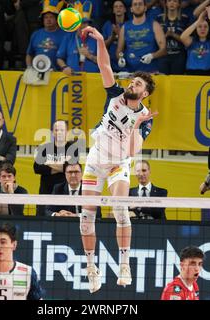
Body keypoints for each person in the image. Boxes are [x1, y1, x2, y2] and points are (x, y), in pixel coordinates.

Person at [78, 25, 158, 293]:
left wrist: (137, 124)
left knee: (120, 211)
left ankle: (124, 264)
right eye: (132, 81)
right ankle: (91, 269)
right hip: (94, 162)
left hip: (117, 165)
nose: (131, 84)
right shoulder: (115, 95)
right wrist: (101, 40)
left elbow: (134, 152)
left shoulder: (144, 118)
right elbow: (104, 65)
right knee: (85, 218)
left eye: (137, 84)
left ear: (144, 93)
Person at [33, 119, 79, 216]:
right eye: (56, 130)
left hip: (63, 192)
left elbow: (70, 167)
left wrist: (48, 163)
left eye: (62, 130)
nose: (59, 132)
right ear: (53, 132)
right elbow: (37, 168)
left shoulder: (73, 148)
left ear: (67, 132)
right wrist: (61, 165)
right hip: (46, 191)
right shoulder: (44, 148)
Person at [116, 0, 166, 72]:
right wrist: (120, 59)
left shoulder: (154, 25)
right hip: (130, 72)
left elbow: (164, 50)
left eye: (140, 4)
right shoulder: (125, 27)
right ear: (131, 9)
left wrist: (152, 56)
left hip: (150, 71)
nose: (137, 6)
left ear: (145, 8)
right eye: (135, 4)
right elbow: (119, 50)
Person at [180, 6, 210, 75]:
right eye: (199, 26)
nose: (202, 29)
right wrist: (198, 21)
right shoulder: (191, 41)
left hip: (209, 74)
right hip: (192, 74)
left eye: (205, 26)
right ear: (196, 28)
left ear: (209, 29)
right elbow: (182, 37)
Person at [25, 0, 65, 71]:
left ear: (57, 19)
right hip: (37, 72)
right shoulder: (36, 34)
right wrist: (29, 68)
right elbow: (29, 54)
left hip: (58, 74)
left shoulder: (65, 35)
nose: (48, 20)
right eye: (46, 17)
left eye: (51, 17)